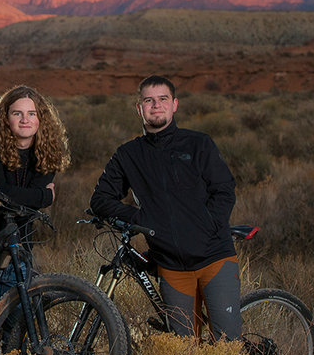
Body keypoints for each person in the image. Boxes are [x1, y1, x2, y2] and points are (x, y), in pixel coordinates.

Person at [89, 75, 240, 340]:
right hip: (171, 266)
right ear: (139, 108)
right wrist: (141, 218)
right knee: (182, 350)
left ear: (174, 105)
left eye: (163, 99)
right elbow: (101, 199)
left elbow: (224, 190)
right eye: (149, 100)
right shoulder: (128, 155)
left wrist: (207, 226)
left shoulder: (199, 143)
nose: (156, 105)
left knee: (228, 346)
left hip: (214, 257)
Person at [0, 85, 70, 301]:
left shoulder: (48, 151)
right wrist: (45, 197)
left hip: (19, 247)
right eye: (17, 113)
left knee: (19, 315)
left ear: (41, 118)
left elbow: (2, 196)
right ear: (6, 117)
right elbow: (2, 191)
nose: (25, 120)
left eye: (32, 113)